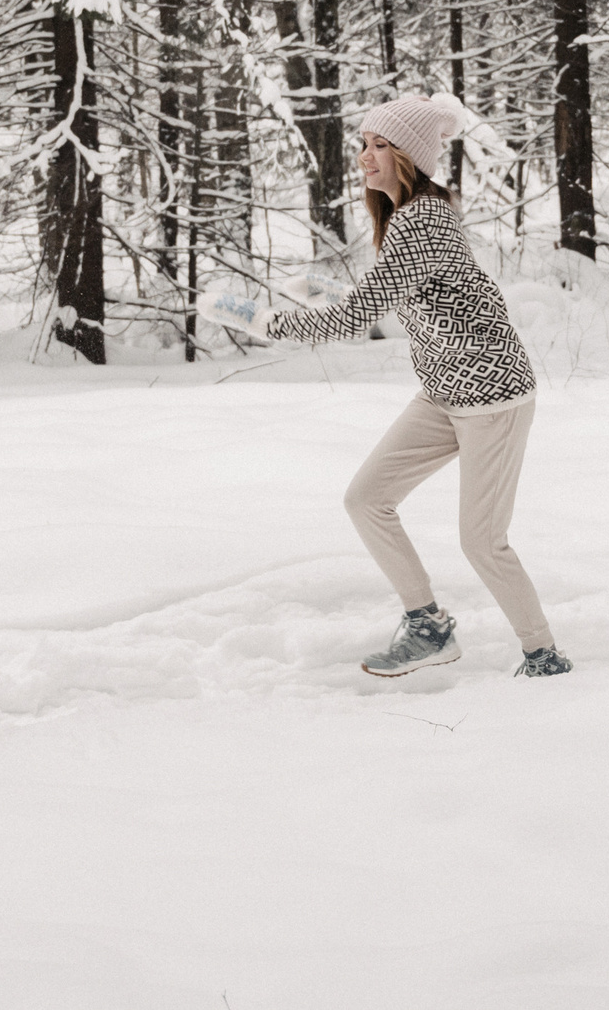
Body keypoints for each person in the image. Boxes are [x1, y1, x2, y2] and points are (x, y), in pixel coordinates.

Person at [201, 94, 572, 681]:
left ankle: (543, 655)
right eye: (364, 144)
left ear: (409, 157)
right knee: (367, 498)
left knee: (482, 541)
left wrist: (268, 322)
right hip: (445, 390)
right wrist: (314, 289)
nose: (365, 158)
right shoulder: (406, 218)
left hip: (493, 396)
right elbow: (387, 296)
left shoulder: (422, 219)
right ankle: (427, 624)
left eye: (379, 146)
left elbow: (356, 318)